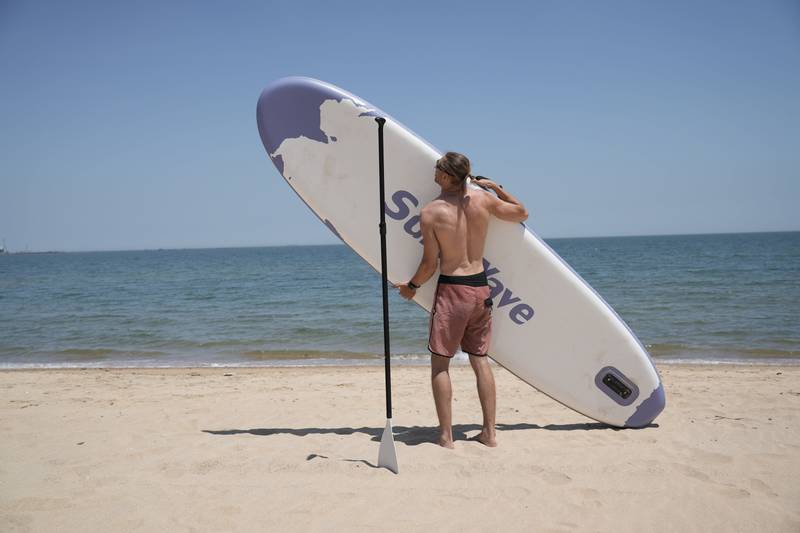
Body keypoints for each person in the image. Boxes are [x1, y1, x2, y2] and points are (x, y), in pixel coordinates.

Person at [396, 152, 528, 449]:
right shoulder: (483, 201)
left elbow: (429, 263)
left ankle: (446, 437)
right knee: (480, 360)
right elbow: (521, 212)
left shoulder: (431, 212)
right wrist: (496, 188)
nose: (434, 170)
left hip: (453, 291)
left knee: (440, 365)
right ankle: (489, 433)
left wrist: (412, 287)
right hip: (481, 289)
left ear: (445, 177)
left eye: (437, 167)